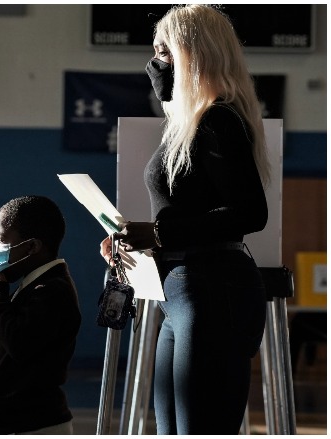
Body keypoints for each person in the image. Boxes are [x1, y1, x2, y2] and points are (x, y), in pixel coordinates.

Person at [100, 5, 270, 434]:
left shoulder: (218, 119)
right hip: (180, 291)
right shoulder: (190, 122)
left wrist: (158, 232)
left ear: (194, 53)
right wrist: (138, 240)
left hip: (211, 290)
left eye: (165, 53)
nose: (156, 65)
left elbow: (251, 213)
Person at [0, 195, 81, 435]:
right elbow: (0, 336)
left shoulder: (52, 290)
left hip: (34, 425)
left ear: (31, 247)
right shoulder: (31, 283)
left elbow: (18, 344)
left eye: (0, 241)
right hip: (12, 422)